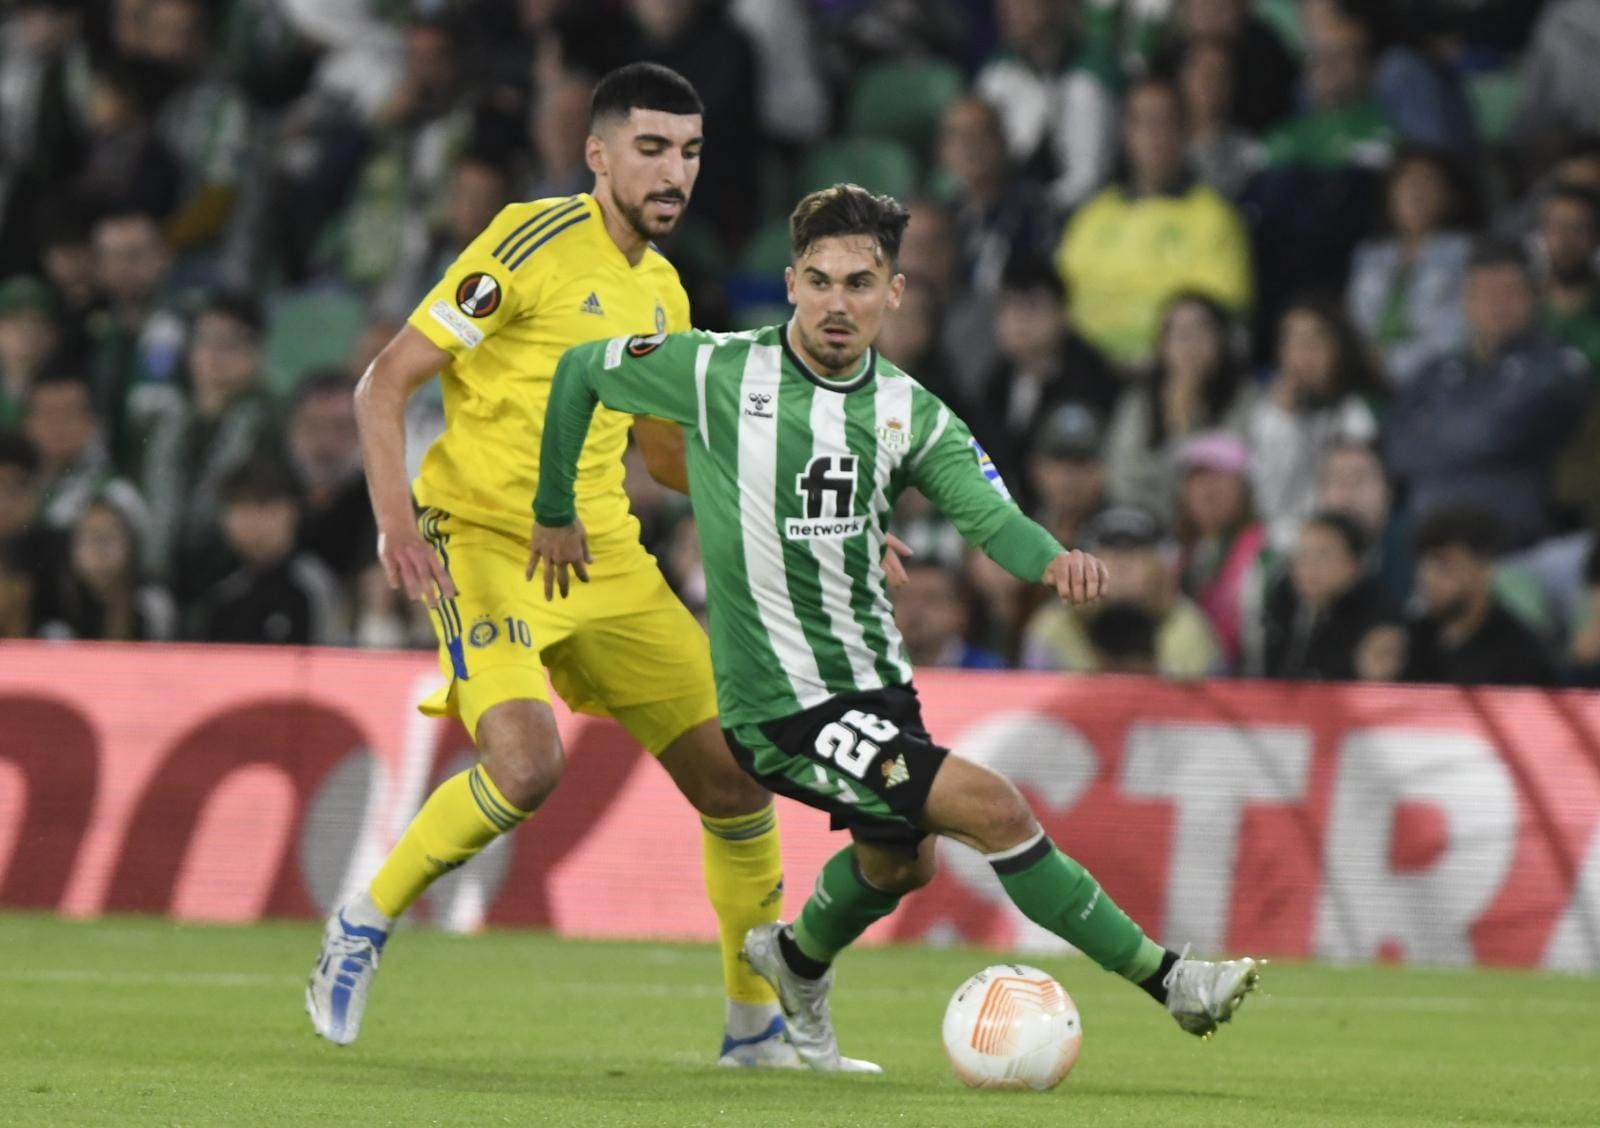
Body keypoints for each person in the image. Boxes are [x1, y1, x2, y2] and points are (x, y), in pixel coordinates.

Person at [531, 183, 1261, 1073]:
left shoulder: (909, 411)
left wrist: (1051, 560)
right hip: (781, 704)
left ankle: (793, 960)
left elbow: (990, 518)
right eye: (823, 281)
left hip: (877, 684)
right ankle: (1173, 982)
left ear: (896, 294)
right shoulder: (716, 370)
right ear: (792, 283)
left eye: (862, 283)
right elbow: (579, 373)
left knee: (899, 866)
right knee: (994, 807)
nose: (840, 303)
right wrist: (554, 509)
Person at [304, 63, 797, 1068]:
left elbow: (659, 447)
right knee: (528, 765)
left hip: (602, 551)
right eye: (653, 148)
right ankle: (361, 922)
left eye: (691, 152)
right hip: (478, 537)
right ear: (598, 153)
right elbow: (383, 382)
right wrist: (397, 525)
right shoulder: (527, 240)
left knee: (738, 785)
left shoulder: (662, 289)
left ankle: (755, 1029)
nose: (675, 172)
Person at [1386, 241, 1590, 549]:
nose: (1497, 304)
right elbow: (1398, 450)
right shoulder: (1434, 371)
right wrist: (1477, 424)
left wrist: (1433, 428)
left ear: (1534, 297)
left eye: (1509, 291)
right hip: (1425, 541)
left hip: (1518, 544)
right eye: (1484, 293)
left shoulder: (1557, 365)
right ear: (1465, 302)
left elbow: (1495, 433)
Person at [1056, 76, 1252, 367]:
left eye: (1163, 122)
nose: (1153, 134)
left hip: (1172, 377)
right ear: (1127, 134)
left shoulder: (1216, 219)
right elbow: (1061, 301)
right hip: (1089, 376)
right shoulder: (1091, 217)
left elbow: (1219, 316)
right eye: (1141, 122)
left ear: (1184, 132)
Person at [964, 256, 1118, 496]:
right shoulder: (994, 382)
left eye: (1032, 307)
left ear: (1062, 314)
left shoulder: (1093, 379)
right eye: (1010, 306)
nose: (1019, 320)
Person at [1103, 292, 1255, 521]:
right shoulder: (1140, 400)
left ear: (1221, 340)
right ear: (1161, 344)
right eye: (1178, 333)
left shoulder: (1244, 398)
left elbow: (1239, 471)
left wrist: (1189, 422)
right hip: (1149, 524)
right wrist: (1176, 428)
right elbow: (1121, 478)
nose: (1188, 343)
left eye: (1199, 331)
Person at [1021, 504, 1221, 678]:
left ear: (1163, 568)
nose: (1121, 565)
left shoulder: (1189, 628)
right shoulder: (1054, 626)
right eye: (1109, 552)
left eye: (1135, 553)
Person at [1249, 297, 1380, 551]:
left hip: (1342, 541)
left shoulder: (1359, 411)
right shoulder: (1270, 413)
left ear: (1338, 348)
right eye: (1292, 343)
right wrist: (1282, 421)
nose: (1303, 356)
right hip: (1283, 540)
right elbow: (1268, 501)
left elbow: (1357, 497)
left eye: (1313, 342)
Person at [1346, 148, 1474, 388]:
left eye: (1427, 184)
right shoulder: (1368, 255)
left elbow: (1456, 334)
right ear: (1390, 195)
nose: (1416, 193)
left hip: (1435, 382)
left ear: (1449, 195)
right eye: (1406, 184)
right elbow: (1354, 321)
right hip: (1364, 379)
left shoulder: (1465, 253)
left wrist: (1392, 363)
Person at [186, 456, 341, 646]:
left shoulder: (312, 586)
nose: (252, 519)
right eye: (240, 505)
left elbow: (329, 655)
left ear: (293, 512)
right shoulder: (216, 589)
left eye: (263, 504)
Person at [1402, 505, 1558, 687]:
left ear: (1485, 568)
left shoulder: (1522, 655)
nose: (1427, 578)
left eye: (1444, 565)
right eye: (1423, 565)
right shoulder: (1411, 637)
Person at [1250, 510, 1399, 681]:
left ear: (1356, 563)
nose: (1308, 566)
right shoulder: (1285, 602)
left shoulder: (1380, 617)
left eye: (1323, 555)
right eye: (1302, 555)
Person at [1173, 432, 1271, 672]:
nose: (1207, 488)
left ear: (1244, 489)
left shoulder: (1265, 552)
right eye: (1196, 477)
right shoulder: (1180, 554)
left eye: (1219, 477)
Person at [42, 497, 176, 642]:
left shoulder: (152, 604)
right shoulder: (55, 606)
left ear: (130, 544)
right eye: (90, 538)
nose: (99, 551)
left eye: (109, 537)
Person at [892, 560, 1004, 671]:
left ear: (960, 612)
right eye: (902, 598)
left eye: (931, 598)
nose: (914, 610)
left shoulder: (989, 671)